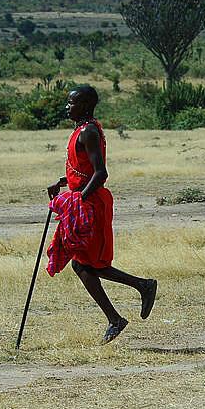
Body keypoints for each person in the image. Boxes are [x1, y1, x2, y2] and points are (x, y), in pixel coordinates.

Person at [46, 85, 157, 344]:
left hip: (92, 203)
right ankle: (128, 303)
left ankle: (135, 295)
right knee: (84, 263)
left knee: (87, 263)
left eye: (72, 102)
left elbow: (100, 173)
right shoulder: (82, 129)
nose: (67, 106)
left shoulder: (88, 131)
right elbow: (84, 170)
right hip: (85, 199)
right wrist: (64, 182)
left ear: (85, 105)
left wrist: (79, 200)